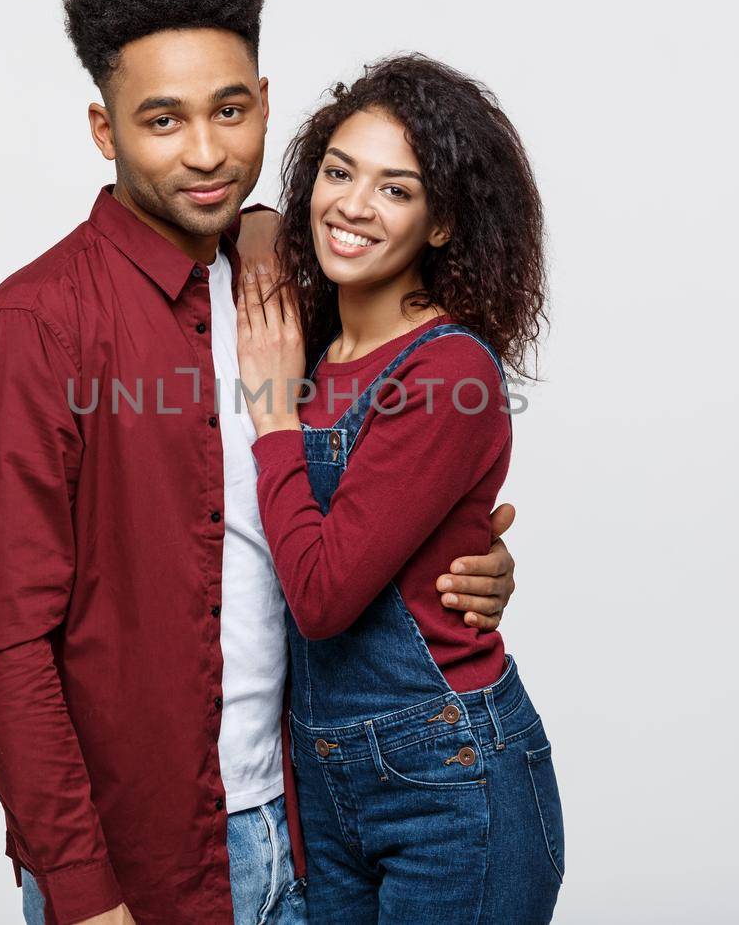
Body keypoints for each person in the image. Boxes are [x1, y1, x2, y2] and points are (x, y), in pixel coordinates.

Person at [0, 0, 523, 925]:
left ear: (262, 101)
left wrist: (468, 560)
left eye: (229, 110)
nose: (207, 151)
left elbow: (350, 513)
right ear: (103, 127)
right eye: (161, 120)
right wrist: (85, 896)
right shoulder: (31, 326)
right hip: (146, 863)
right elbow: (5, 644)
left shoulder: (295, 289)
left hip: (318, 831)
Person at [236, 53, 564, 923]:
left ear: (443, 224)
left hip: (448, 779)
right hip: (324, 774)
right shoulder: (312, 339)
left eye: (395, 189)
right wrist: (266, 224)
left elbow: (322, 596)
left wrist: (273, 413)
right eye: (339, 173)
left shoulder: (447, 370)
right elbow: (246, 222)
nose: (351, 204)